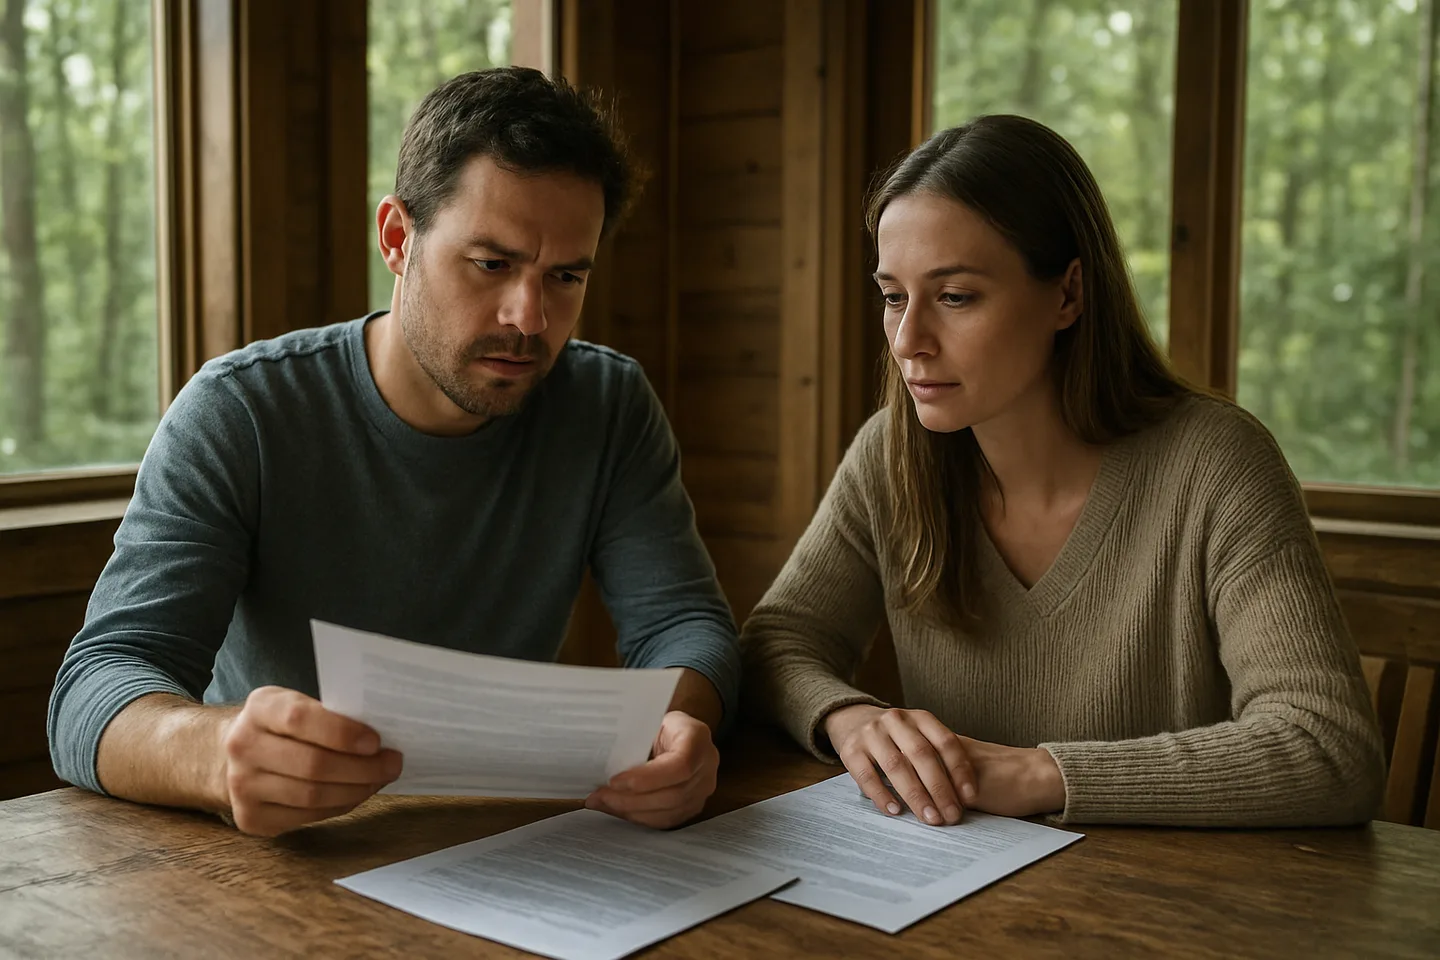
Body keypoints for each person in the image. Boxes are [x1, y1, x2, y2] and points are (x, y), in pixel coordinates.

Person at [49, 67, 738, 837]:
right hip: (285, 854)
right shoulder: (239, 412)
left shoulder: (609, 406)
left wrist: (675, 731)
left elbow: (684, 624)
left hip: (510, 846)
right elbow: (92, 687)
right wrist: (211, 754)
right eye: (493, 264)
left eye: (566, 276)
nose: (530, 317)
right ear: (397, 239)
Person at [741, 115, 1386, 828]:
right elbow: (775, 644)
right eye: (894, 296)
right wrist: (848, 717)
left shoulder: (1216, 464)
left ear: (1068, 295)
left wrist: (1039, 772)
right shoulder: (891, 456)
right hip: (949, 903)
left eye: (954, 297)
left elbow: (1328, 749)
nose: (908, 340)